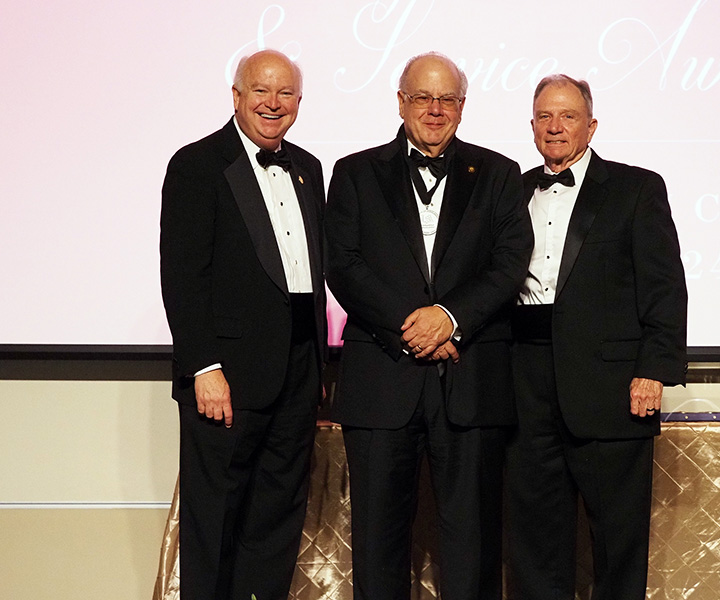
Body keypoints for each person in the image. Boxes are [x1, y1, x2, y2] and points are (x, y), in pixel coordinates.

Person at [324, 52, 532, 600]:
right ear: (401, 102)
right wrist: (408, 326)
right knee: (378, 540)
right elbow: (342, 264)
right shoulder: (354, 172)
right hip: (381, 379)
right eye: (422, 97)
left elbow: (510, 263)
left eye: (447, 99)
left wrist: (449, 319)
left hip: (471, 382)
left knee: (473, 542)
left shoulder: (500, 174)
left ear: (462, 106)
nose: (434, 110)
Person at [505, 74, 688, 600]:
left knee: (617, 540)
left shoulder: (636, 187)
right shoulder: (512, 190)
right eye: (544, 116)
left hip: (611, 387)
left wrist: (653, 368)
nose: (555, 126)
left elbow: (664, 286)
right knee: (535, 537)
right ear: (532, 125)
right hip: (524, 380)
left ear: (591, 124)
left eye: (567, 116)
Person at [159, 49, 326, 600]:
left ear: (299, 102)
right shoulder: (197, 164)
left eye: (285, 94)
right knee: (214, 522)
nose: (273, 104)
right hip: (225, 379)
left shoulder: (308, 168)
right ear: (237, 97)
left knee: (276, 520)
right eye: (261, 91)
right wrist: (204, 367)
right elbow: (183, 277)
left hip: (297, 374)